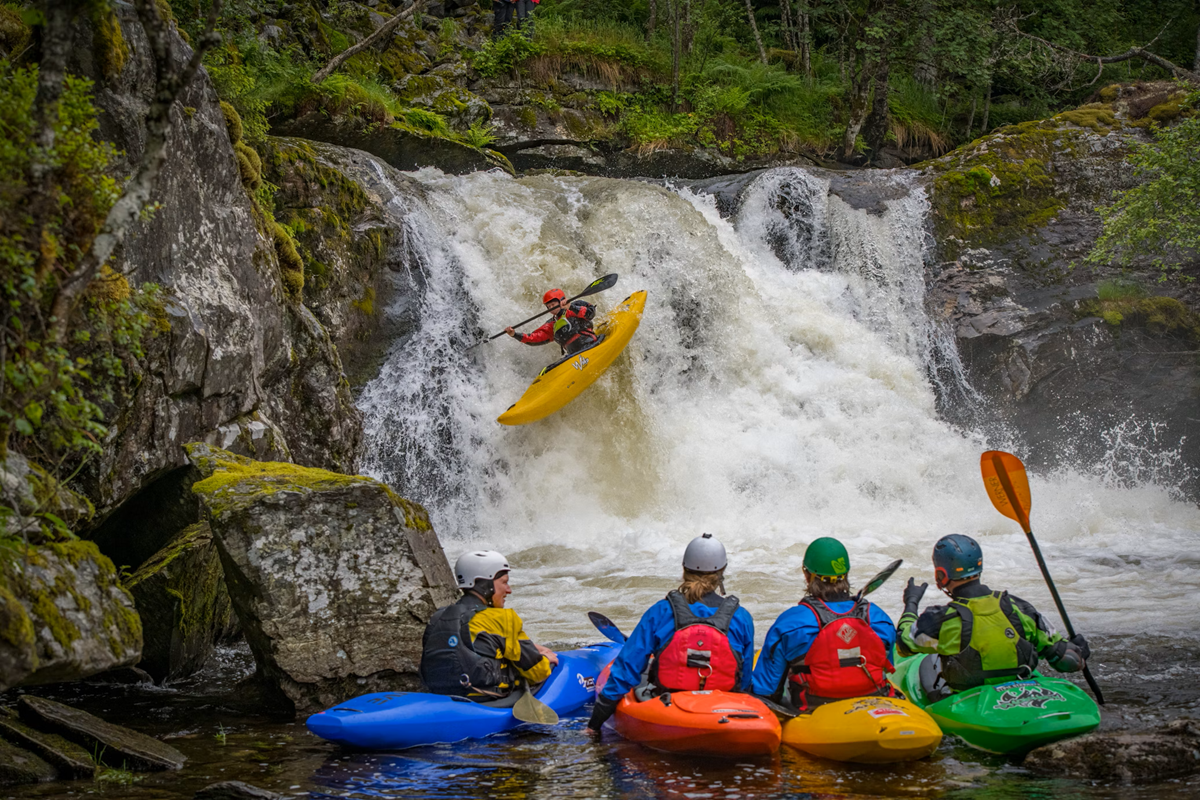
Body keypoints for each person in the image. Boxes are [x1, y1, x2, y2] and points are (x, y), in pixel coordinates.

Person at [586, 534, 755, 733]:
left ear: (684, 570)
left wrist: (594, 725)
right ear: (721, 572)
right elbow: (743, 680)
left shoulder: (661, 611)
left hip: (668, 704)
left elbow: (626, 669)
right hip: (722, 709)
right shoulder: (741, 617)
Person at [896, 534, 1090, 697]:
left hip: (970, 701)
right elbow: (1068, 661)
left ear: (940, 575)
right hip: (1023, 693)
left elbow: (903, 645)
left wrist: (911, 603)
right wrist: (1078, 649)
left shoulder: (941, 619)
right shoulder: (1018, 607)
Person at [750, 537, 898, 712]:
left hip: (813, 708)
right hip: (873, 702)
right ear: (846, 574)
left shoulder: (790, 623)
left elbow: (766, 691)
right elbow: (886, 667)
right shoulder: (878, 618)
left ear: (807, 576)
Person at [420, 550, 559, 699]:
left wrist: (534, 647)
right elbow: (537, 673)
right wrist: (545, 659)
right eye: (504, 582)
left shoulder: (439, 616)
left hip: (440, 697)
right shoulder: (502, 618)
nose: (509, 590)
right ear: (485, 585)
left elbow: (468, 643)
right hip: (485, 698)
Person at [506, 288, 599, 357]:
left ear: (561, 301)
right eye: (548, 307)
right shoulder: (552, 325)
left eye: (553, 305)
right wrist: (514, 334)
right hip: (575, 355)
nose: (551, 308)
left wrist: (571, 307)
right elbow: (533, 338)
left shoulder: (575, 306)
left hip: (592, 344)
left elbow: (590, 313)